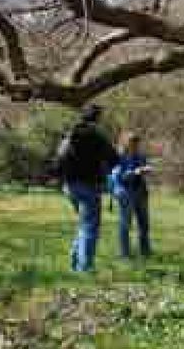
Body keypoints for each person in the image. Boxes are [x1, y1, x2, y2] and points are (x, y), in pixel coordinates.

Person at [55, 105, 119, 275]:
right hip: (90, 186)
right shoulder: (98, 135)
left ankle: (76, 262)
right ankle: (85, 269)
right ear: (98, 118)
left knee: (84, 224)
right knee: (90, 227)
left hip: (70, 186)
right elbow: (114, 159)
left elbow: (59, 158)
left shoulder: (70, 134)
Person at [109, 131, 153, 260]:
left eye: (137, 143)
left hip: (141, 192)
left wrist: (147, 169)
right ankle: (124, 254)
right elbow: (119, 177)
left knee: (144, 224)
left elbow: (144, 168)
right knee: (125, 224)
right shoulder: (119, 157)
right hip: (125, 192)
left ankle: (145, 251)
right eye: (132, 142)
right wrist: (135, 172)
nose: (135, 145)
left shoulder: (141, 156)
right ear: (125, 143)